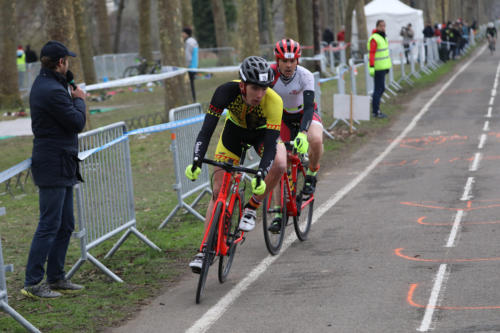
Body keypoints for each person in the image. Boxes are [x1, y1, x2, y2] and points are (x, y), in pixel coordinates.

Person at [185, 56, 286, 272]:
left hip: (261, 136)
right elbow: (207, 130)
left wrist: (261, 173)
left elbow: (269, 146)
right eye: (255, 88)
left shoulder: (274, 101)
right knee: (218, 190)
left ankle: (252, 207)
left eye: (264, 88)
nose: (260, 94)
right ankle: (204, 251)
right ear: (242, 85)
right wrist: (196, 159)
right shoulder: (225, 92)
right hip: (233, 134)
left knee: (279, 162)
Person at [21, 40, 86, 299]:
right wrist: (80, 100)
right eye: (67, 61)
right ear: (60, 62)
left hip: (63, 160)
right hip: (52, 161)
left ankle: (56, 276)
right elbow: (76, 122)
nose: (68, 64)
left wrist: (69, 84)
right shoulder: (50, 90)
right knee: (49, 224)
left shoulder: (53, 84)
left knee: (65, 223)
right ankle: (33, 282)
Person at [368, 20, 392, 119]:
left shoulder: (383, 37)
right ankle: (375, 111)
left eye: (384, 26)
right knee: (378, 90)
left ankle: (376, 109)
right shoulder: (375, 38)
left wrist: (387, 67)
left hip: (383, 67)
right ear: (377, 26)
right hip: (378, 68)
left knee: (381, 89)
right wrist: (372, 67)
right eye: (381, 26)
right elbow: (372, 54)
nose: (383, 27)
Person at [182, 27, 199, 102]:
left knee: (190, 86)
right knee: (191, 85)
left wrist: (185, 66)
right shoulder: (194, 41)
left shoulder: (188, 43)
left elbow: (188, 57)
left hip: (190, 67)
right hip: (194, 67)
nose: (182, 34)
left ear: (186, 33)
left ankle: (192, 100)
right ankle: (193, 100)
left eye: (183, 33)